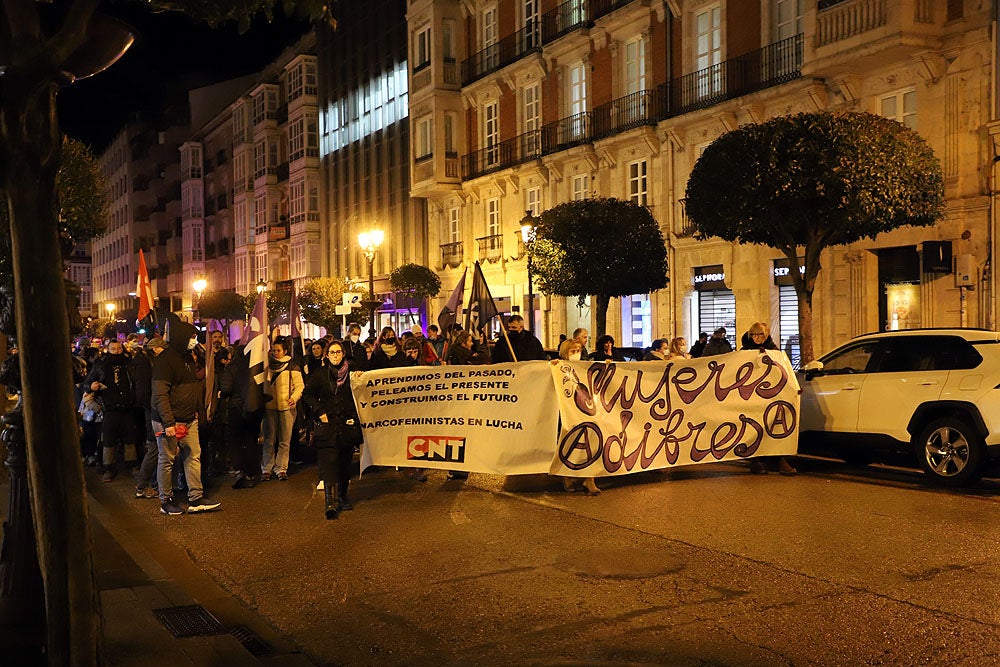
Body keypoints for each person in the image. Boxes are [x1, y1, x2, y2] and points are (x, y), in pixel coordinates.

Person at [150, 320, 221, 515]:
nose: (194, 341)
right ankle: (166, 500)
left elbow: (193, 388)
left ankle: (196, 498)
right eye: (192, 337)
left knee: (193, 456)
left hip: (190, 418)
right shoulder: (164, 361)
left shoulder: (188, 358)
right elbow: (160, 394)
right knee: (167, 460)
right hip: (169, 420)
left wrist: (197, 412)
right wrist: (168, 422)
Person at [301, 340, 362, 519]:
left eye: (338, 352)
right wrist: (320, 412)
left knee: (344, 463)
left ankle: (342, 496)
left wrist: (361, 378)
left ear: (343, 354)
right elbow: (308, 394)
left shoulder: (352, 375)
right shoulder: (320, 374)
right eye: (332, 353)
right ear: (327, 356)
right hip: (327, 426)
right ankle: (330, 501)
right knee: (329, 463)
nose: (335, 356)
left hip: (346, 425)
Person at [740, 321, 797, 476]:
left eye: (761, 335)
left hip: (771, 395)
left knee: (775, 426)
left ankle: (780, 460)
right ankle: (757, 461)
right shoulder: (744, 351)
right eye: (755, 335)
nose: (758, 338)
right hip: (751, 395)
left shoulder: (774, 351)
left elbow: (784, 370)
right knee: (755, 427)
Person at [85, 340, 137, 482]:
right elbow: (87, 384)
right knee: (108, 441)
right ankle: (109, 468)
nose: (117, 351)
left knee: (129, 439)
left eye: (119, 348)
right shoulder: (100, 364)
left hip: (127, 408)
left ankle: (131, 465)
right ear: (108, 350)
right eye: (113, 349)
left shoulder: (128, 363)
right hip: (109, 409)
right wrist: (92, 386)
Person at [553, 340, 600, 495]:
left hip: (585, 410)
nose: (576, 353)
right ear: (565, 352)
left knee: (590, 441)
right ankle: (566, 476)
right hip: (565, 412)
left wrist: (607, 365)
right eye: (573, 351)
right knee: (567, 443)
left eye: (579, 350)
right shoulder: (557, 366)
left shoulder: (585, 366)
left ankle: (589, 478)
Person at [261, 339, 304, 481]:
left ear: (285, 351)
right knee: (269, 439)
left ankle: (281, 468)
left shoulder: (292, 366)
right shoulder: (266, 366)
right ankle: (267, 468)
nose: (275, 353)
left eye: (278, 350)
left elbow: (299, 386)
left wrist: (294, 398)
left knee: (285, 440)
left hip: (287, 407)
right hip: (270, 406)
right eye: (273, 350)